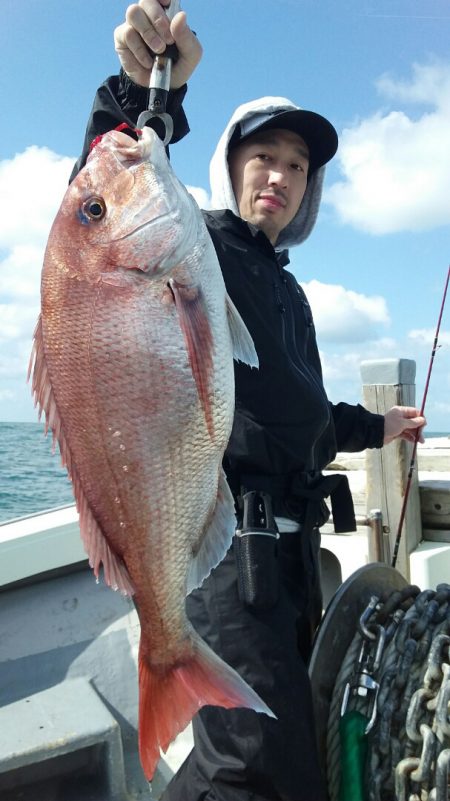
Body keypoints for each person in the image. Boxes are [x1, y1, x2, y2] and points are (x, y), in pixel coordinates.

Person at [72, 3, 426, 799]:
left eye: (297, 167)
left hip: (295, 566)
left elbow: (302, 419)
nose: (280, 177)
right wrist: (138, 89)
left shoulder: (290, 294)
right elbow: (103, 213)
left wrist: (380, 425)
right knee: (259, 771)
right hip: (231, 558)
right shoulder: (198, 249)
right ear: (228, 167)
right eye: (263, 156)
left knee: (269, 746)